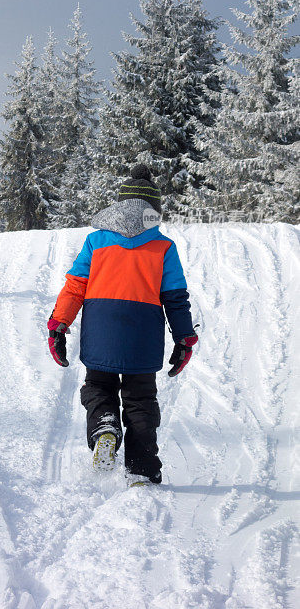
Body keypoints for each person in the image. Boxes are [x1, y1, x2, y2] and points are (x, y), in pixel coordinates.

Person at [47, 164, 198, 484]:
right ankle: (142, 468)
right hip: (142, 334)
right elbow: (175, 297)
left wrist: (58, 324)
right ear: (153, 212)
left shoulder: (96, 241)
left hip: (102, 329)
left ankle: (104, 427)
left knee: (98, 386)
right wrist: (184, 338)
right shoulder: (163, 247)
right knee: (140, 399)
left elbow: (75, 286)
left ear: (119, 205)